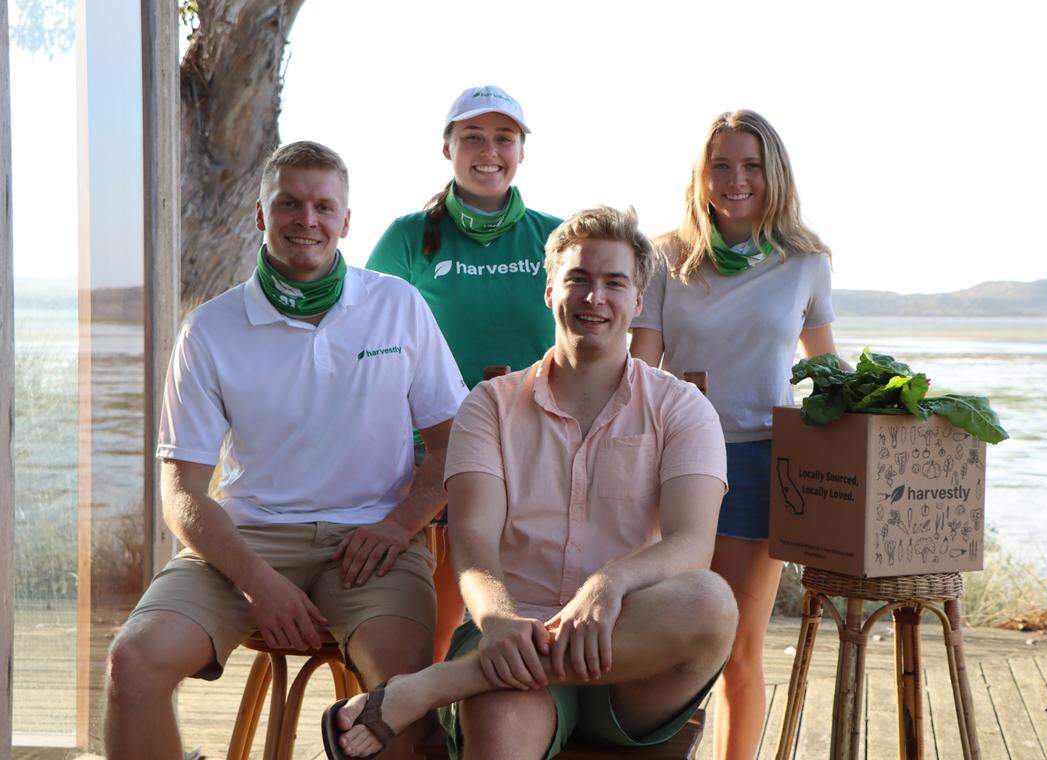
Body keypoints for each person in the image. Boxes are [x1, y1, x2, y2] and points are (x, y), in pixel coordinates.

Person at [324, 207, 738, 759]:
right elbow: (472, 541)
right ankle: (480, 672)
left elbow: (693, 544)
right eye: (578, 280)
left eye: (615, 283)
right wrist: (496, 619)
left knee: (711, 601)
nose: (595, 298)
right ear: (549, 292)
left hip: (631, 652)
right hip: (506, 642)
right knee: (497, 738)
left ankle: (434, 687)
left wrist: (608, 584)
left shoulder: (682, 409)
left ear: (638, 301)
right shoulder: (489, 407)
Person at [103, 141, 468, 759]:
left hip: (370, 544)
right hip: (246, 541)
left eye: (325, 207)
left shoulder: (397, 306)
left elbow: (452, 447)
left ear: (347, 222)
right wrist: (257, 583)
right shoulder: (209, 329)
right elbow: (183, 491)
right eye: (289, 204)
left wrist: (398, 524)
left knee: (404, 695)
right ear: (259, 214)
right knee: (131, 664)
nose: (308, 220)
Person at [629, 110, 846, 760]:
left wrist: (885, 417)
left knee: (740, 646)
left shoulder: (806, 261)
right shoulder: (666, 256)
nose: (735, 179)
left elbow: (827, 366)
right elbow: (641, 365)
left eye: (750, 164)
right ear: (702, 175)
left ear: (772, 172)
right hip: (673, 463)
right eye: (720, 165)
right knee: (665, 634)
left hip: (761, 467)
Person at [367, 85, 562, 663]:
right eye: (472, 136)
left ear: (522, 151)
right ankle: (419, 727)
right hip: (433, 453)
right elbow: (368, 343)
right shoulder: (407, 236)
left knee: (523, 600)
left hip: (534, 445)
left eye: (504, 138)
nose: (489, 151)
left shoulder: (557, 237)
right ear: (447, 147)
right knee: (435, 616)